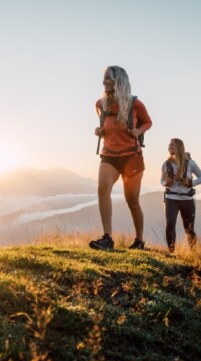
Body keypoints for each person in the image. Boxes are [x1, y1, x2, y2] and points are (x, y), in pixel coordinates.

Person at [89, 66, 152, 251]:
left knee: (132, 201)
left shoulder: (135, 104)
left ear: (119, 81)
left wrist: (138, 131)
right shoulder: (101, 104)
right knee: (102, 188)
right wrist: (99, 131)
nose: (104, 82)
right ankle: (107, 238)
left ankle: (139, 241)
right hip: (109, 155)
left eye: (108, 78)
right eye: (104, 78)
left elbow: (148, 121)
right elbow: (105, 126)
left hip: (132, 157)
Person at [161, 138, 201, 252]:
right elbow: (161, 180)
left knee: (189, 229)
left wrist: (191, 183)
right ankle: (172, 252)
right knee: (170, 223)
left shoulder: (190, 163)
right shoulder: (166, 164)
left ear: (179, 148)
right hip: (171, 198)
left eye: (173, 145)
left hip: (187, 199)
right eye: (169, 144)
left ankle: (194, 253)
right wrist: (166, 183)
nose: (170, 146)